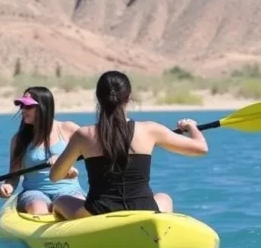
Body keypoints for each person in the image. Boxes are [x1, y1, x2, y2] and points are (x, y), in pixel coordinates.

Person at [48, 70, 209, 220]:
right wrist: (191, 127)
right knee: (164, 198)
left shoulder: (84, 135)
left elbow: (55, 177)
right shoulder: (150, 130)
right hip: (144, 208)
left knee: (60, 200)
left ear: (98, 98)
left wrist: (58, 163)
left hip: (98, 212)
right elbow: (201, 148)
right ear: (129, 97)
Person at [0, 86, 86, 215]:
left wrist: (66, 164)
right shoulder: (18, 140)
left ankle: (60, 210)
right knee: (38, 207)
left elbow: (93, 154)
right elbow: (13, 177)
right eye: (21, 105)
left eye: (28, 106)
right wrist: (8, 187)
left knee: (77, 210)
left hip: (69, 190)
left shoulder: (68, 129)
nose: (22, 110)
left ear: (43, 108)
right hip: (34, 192)